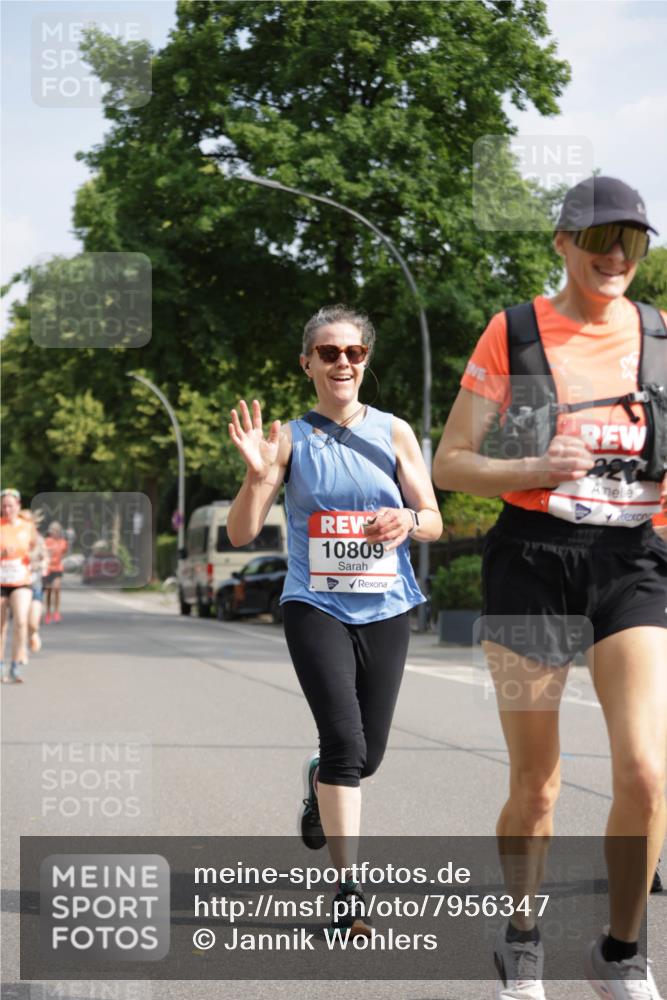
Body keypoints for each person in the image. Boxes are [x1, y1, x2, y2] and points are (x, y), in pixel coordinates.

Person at [433, 177, 666, 1000]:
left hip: (631, 562)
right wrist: (534, 465)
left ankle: (620, 952)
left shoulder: (660, 338)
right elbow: (449, 462)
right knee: (536, 785)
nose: (615, 255)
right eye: (599, 239)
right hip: (531, 561)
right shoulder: (517, 332)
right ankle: (522, 938)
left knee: (645, 772)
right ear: (562, 243)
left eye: (631, 241)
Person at [227, 304, 442, 935]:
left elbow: (433, 519)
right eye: (328, 352)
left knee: (366, 756)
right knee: (345, 743)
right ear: (308, 364)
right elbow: (240, 533)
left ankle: (317, 780)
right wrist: (256, 477)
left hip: (387, 605)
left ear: (366, 360)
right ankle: (349, 893)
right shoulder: (289, 439)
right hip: (314, 605)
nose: (342, 362)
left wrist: (408, 519)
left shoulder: (395, 432)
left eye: (354, 352)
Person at [1, 488, 36, 683]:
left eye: (10, 506)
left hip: (21, 580)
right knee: (1, 625)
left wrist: (35, 557)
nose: (7, 510)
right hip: (1, 580)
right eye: (3, 506)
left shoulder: (28, 527)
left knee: (21, 621)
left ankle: (15, 665)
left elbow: (37, 550)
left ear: (18, 506)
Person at [44, 521, 68, 623]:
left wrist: (61, 559)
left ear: (59, 531)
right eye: (52, 530)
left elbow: (64, 553)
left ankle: (57, 611)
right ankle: (48, 612)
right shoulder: (46, 541)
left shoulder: (63, 542)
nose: (54, 532)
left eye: (56, 530)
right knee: (48, 591)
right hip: (48, 569)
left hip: (58, 568)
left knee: (56, 588)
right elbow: (43, 553)